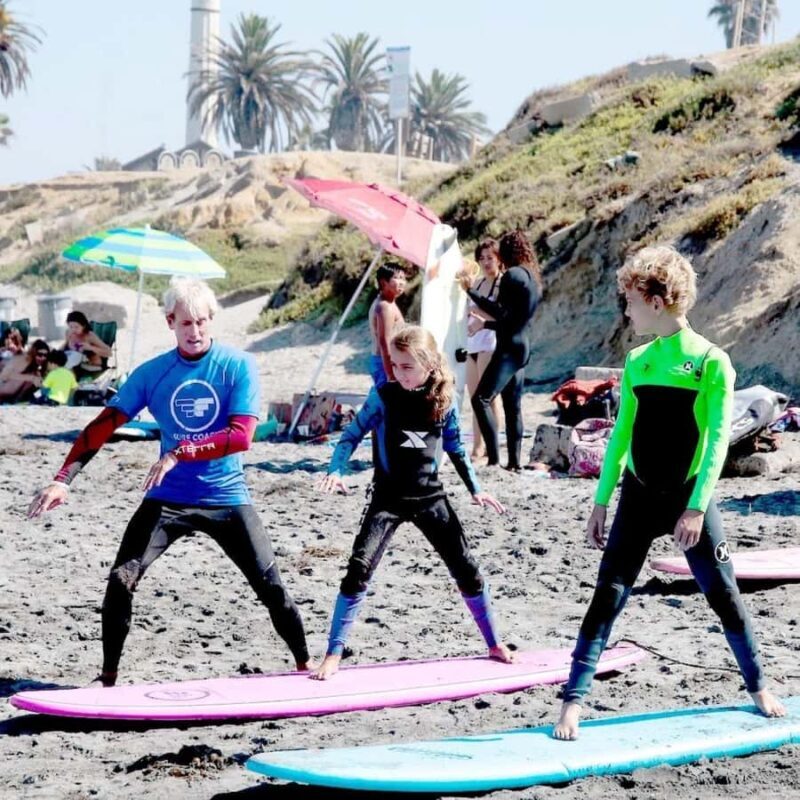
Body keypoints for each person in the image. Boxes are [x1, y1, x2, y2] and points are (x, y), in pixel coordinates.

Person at [28, 279, 313, 686]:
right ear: (170, 322)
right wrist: (63, 479)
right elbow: (103, 426)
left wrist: (179, 452)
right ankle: (108, 678)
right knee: (120, 581)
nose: (194, 331)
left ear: (211, 320)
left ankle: (305, 666)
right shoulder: (154, 373)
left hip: (226, 497)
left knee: (270, 586)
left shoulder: (237, 366)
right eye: (185, 323)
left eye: (200, 322)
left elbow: (241, 435)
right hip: (168, 499)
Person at [553, 246, 785, 741]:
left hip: (688, 499)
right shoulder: (638, 360)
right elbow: (621, 436)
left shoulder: (710, 362)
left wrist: (697, 507)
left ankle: (759, 685)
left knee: (722, 593)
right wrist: (601, 500)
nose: (627, 310)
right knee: (608, 596)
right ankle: (572, 703)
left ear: (656, 301)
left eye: (632, 301)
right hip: (636, 498)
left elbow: (718, 440)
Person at [312, 325, 514, 680]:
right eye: (394, 364)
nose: (397, 372)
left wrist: (475, 489)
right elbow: (350, 436)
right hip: (387, 499)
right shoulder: (384, 395)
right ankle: (332, 654)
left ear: (428, 364)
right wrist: (337, 470)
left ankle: (495, 644)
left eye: (406, 366)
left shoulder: (444, 399)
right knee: (359, 570)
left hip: (430, 498)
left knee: (466, 569)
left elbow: (456, 449)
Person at [459, 230, 541, 471]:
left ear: (505, 252)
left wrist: (470, 292)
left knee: (481, 399)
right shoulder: (531, 276)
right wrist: (485, 324)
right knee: (512, 407)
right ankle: (514, 463)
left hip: (507, 349)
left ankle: (494, 459)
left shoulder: (510, 276)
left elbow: (501, 312)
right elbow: (512, 320)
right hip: (522, 346)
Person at [461, 241, 505, 461]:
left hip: (490, 343)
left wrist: (477, 311)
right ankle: (477, 447)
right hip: (472, 344)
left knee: (488, 398)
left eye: (490, 257)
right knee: (474, 399)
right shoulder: (476, 284)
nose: (487, 262)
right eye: (482, 258)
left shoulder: (501, 285)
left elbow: (498, 315)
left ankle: (490, 445)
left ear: (499, 258)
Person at [368, 263, 406, 387]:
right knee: (386, 402)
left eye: (403, 278)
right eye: (397, 278)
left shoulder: (387, 303)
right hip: (384, 364)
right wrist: (391, 374)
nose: (401, 282)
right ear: (383, 283)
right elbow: (384, 341)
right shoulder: (385, 307)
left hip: (383, 362)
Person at [62, 310, 112, 375]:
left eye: (76, 327)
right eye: (71, 327)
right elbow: (64, 346)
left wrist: (91, 347)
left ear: (83, 326)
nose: (73, 330)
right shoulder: (69, 333)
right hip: (73, 365)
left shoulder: (89, 336)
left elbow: (109, 353)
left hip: (90, 367)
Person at [0, 339, 49, 403]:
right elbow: (5, 375)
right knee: (31, 377)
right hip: (2, 383)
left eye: (45, 355)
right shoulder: (25, 359)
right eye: (39, 354)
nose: (42, 358)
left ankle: (17, 400)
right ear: (34, 353)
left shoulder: (37, 364)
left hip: (11, 390)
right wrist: (31, 378)